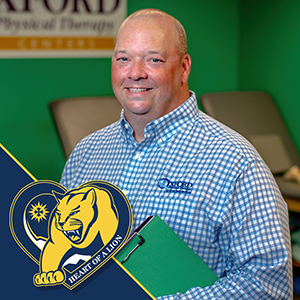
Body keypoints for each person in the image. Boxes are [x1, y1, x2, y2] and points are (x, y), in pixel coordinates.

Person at [60, 8, 293, 299]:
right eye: (123, 59)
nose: (135, 73)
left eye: (154, 59)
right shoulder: (86, 153)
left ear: (184, 68)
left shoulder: (235, 161)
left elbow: (268, 285)